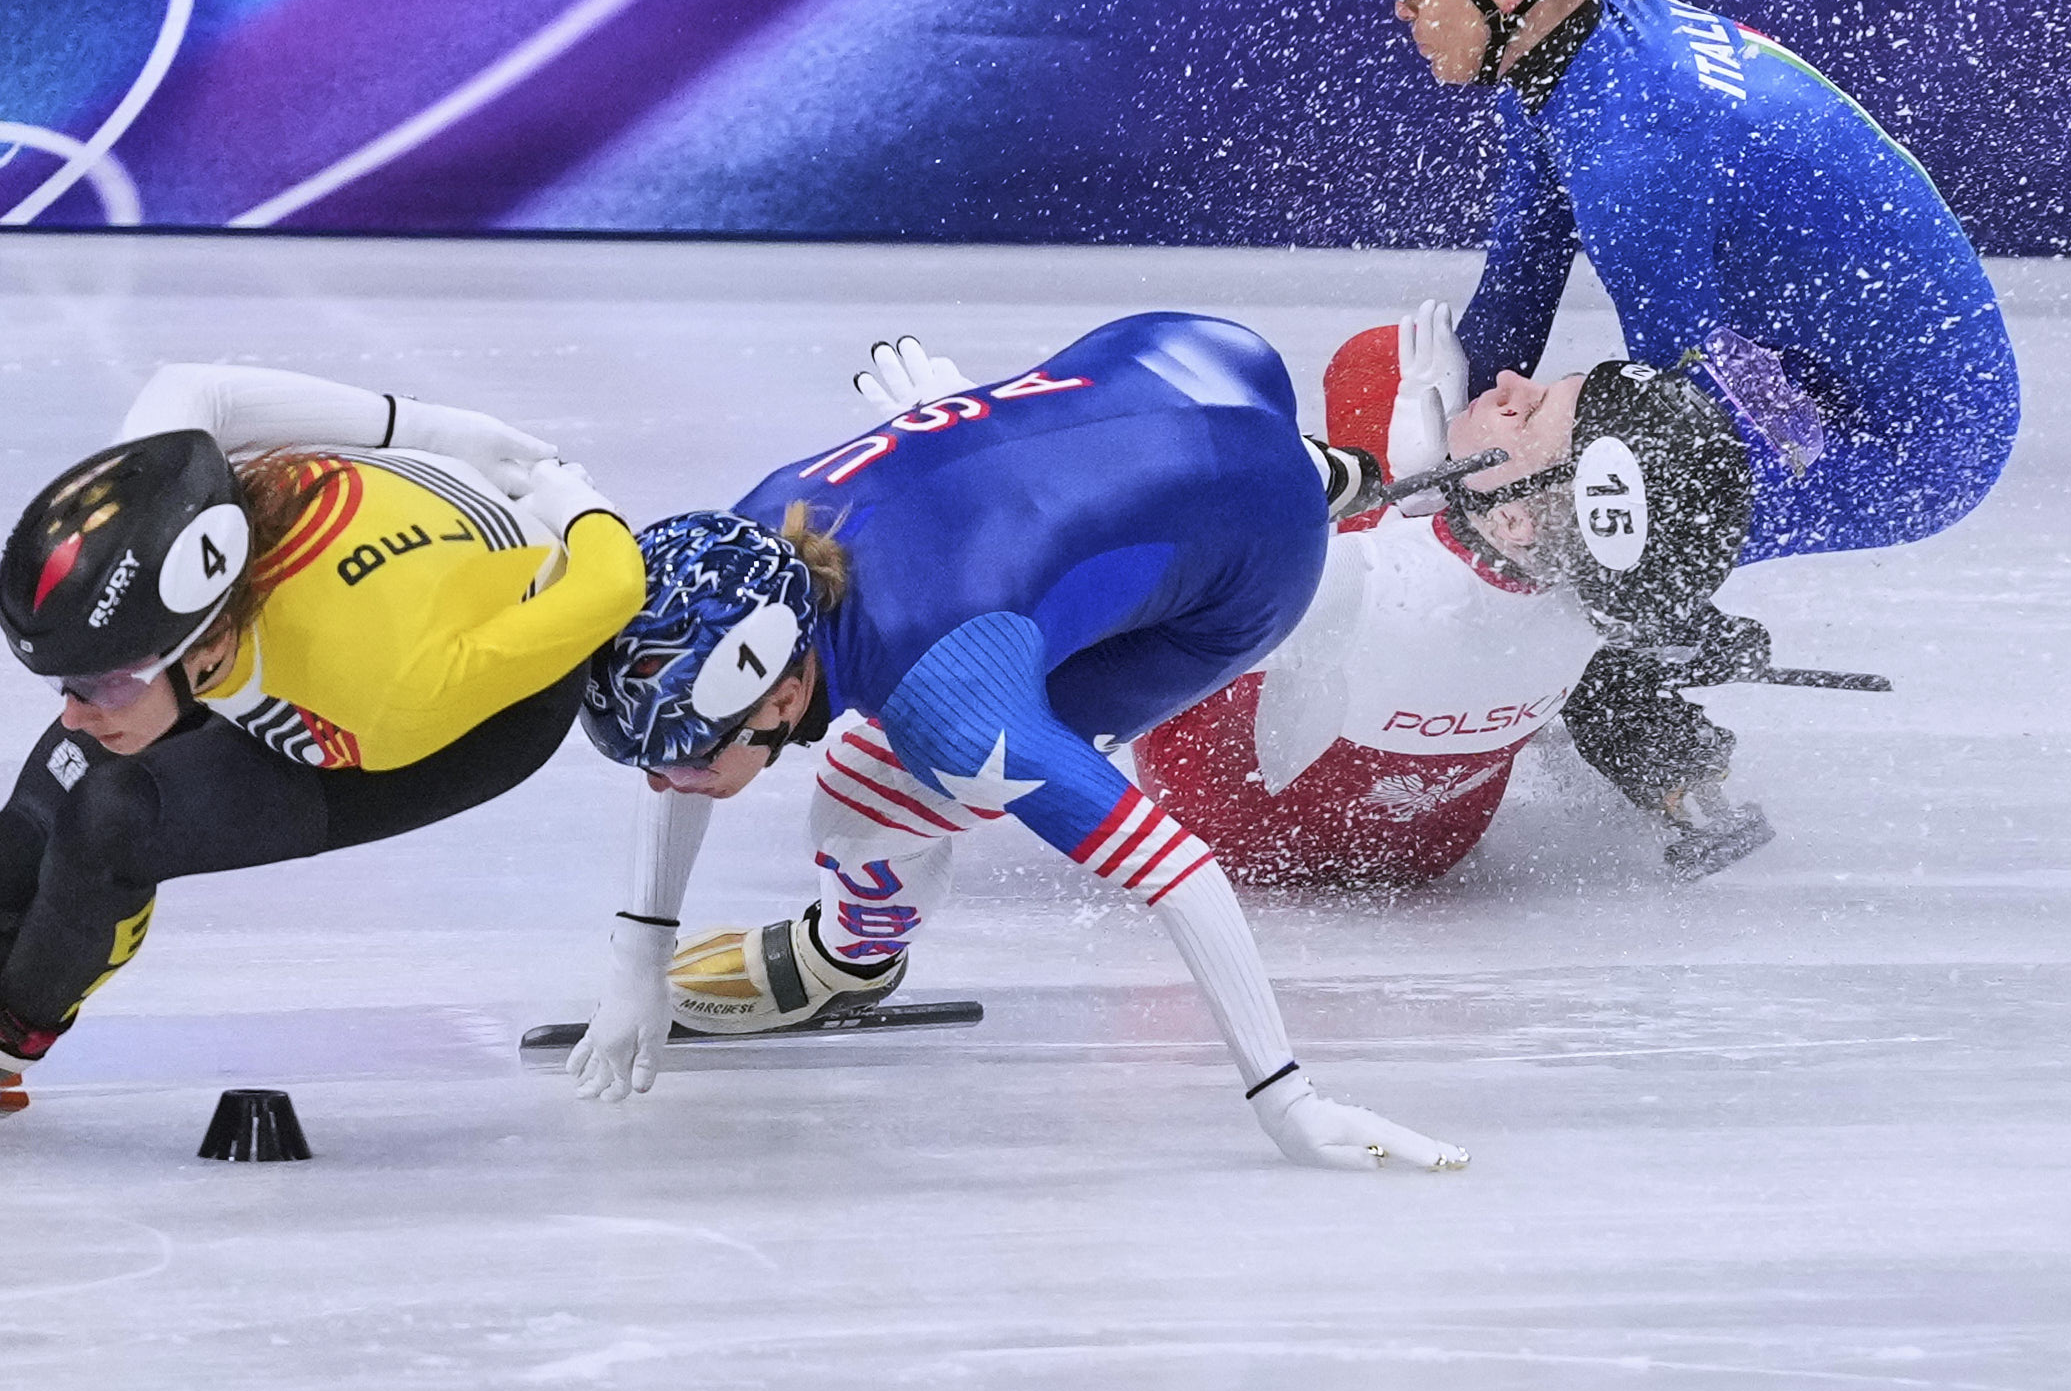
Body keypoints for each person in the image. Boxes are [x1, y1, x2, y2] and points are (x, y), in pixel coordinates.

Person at [562, 315, 1469, 1172]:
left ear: (786, 690)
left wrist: (1287, 1098)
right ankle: (1314, 470)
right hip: (1179, 356)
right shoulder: (741, 546)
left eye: (683, 755)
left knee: (860, 799)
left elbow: (1177, 872)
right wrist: (637, 957)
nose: (664, 780)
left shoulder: (952, 695)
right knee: (1144, 516)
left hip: (1252, 574)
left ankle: (851, 959)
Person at [1354, 0, 2019, 828]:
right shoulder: (1566, 55)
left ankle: (1666, 749)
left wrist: (1621, 585)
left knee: (1559, 518)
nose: (1399, 5)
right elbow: (1520, 285)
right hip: (1827, 369)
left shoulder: (1634, 148)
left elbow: (1686, 434)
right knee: (1512, 464)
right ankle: (1636, 634)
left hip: (1908, 440)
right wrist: (1413, 458)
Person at [0, 365, 645, 1101]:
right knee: (18, 831)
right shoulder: (169, 485)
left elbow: (611, 590)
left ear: (209, 644)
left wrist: (572, 498)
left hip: (474, 716)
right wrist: (428, 424)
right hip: (345, 605)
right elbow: (197, 389)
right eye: (65, 680)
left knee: (113, 818)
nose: (73, 706)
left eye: (99, 682)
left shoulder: (386, 690)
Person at [1139, 302, 1781, 884]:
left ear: (1516, 519)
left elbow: (1132, 629)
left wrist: (1268, 499)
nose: (1508, 382)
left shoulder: (1361, 575)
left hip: (1218, 824)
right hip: (1433, 845)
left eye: (1525, 411)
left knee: (1381, 361)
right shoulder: (1607, 598)